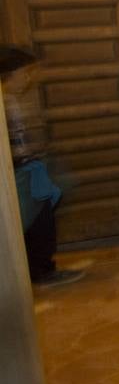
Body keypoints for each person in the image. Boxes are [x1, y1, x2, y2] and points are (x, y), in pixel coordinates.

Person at [1, 46, 83, 288]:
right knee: (39, 221)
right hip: (22, 173)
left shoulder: (12, 100)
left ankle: (34, 269)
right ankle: (41, 271)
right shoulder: (7, 102)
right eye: (23, 73)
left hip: (28, 169)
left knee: (37, 219)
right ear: (8, 74)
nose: (27, 79)